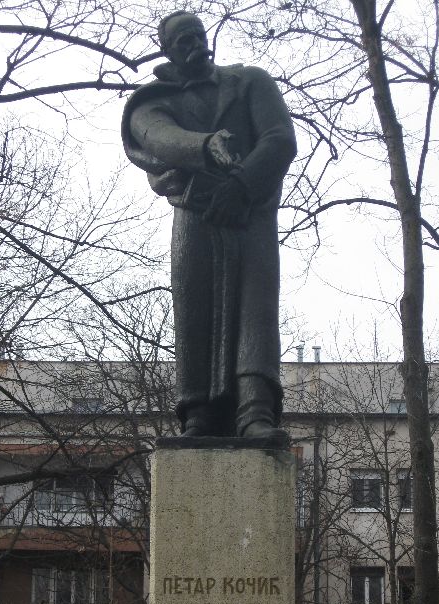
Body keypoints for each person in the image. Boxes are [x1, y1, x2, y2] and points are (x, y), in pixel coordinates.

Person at [122, 11, 297, 439]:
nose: (196, 45)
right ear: (167, 51)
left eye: (198, 35)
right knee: (194, 308)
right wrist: (204, 145)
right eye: (183, 41)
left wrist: (241, 186)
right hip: (195, 216)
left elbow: (279, 138)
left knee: (256, 308)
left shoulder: (251, 81)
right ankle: (197, 414)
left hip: (250, 212)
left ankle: (255, 411)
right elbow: (156, 136)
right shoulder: (152, 100)